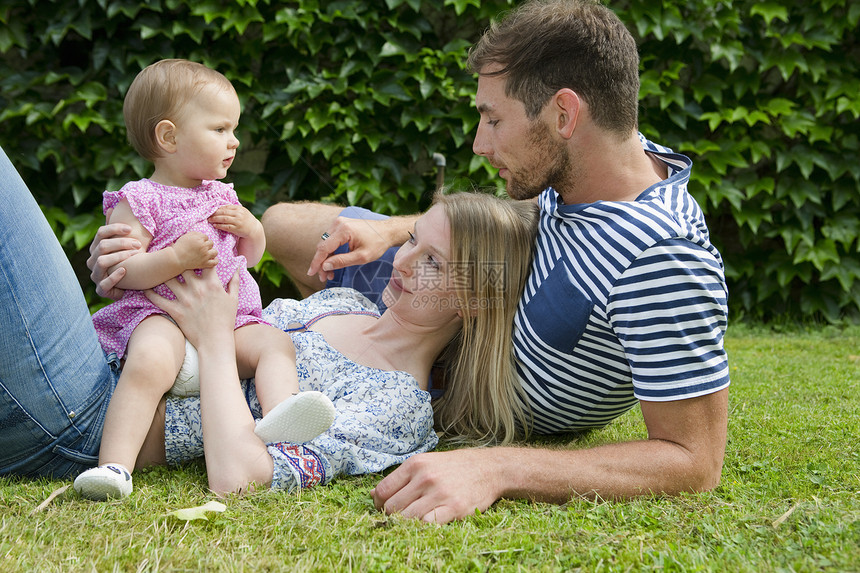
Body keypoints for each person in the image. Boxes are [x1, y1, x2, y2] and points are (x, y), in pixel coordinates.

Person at [258, 0, 731, 523]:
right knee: (280, 227)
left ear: (564, 114)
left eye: (493, 118)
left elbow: (695, 461)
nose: (480, 143)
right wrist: (395, 231)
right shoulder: (593, 168)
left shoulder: (661, 257)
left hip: (450, 351)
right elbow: (516, 215)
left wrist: (497, 468)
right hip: (445, 286)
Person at [0, 140, 539, 497]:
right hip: (105, 356)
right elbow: (272, 232)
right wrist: (130, 261)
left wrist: (213, 339)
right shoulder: (344, 302)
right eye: (413, 241)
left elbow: (241, 478)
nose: (401, 262)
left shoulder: (397, 406)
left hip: (88, 427)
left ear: (475, 300)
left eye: (434, 263)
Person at [72, 59, 336, 501]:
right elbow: (125, 271)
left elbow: (248, 258)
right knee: (149, 362)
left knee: (275, 345)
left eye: (234, 130)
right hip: (163, 314)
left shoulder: (223, 194)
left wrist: (253, 231)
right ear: (169, 136)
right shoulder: (140, 200)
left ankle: (280, 415)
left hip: (230, 320)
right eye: (219, 130)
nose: (233, 142)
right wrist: (175, 258)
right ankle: (114, 465)